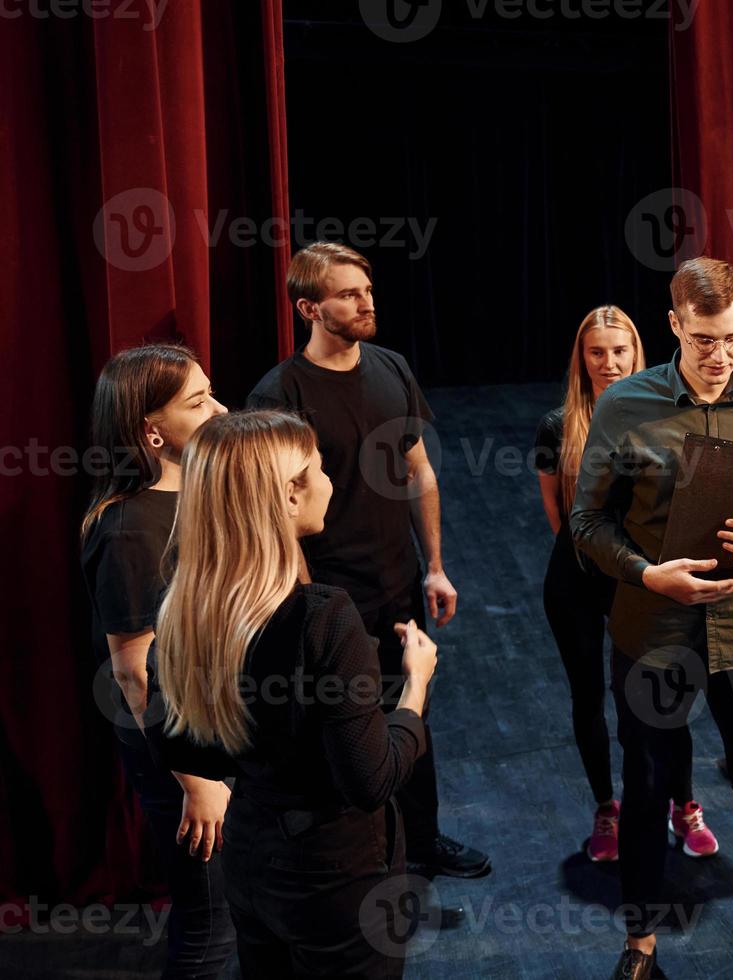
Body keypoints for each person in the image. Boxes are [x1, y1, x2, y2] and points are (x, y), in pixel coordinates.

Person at [571, 257, 733, 980]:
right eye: (704, 339)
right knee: (647, 790)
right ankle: (641, 946)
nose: (720, 356)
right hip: (653, 630)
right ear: (674, 325)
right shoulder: (625, 404)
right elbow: (587, 522)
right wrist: (648, 573)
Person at [146, 410, 438, 978]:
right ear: (286, 496)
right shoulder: (322, 617)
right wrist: (416, 687)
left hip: (252, 865)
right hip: (335, 881)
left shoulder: (185, 611)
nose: (330, 481)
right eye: (318, 468)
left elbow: (184, 751)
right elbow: (372, 779)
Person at [247, 242, 488, 881]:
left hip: (398, 580)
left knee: (413, 706)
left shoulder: (391, 367)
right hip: (326, 592)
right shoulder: (279, 394)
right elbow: (273, 514)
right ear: (309, 308)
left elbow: (418, 471)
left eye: (368, 291)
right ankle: (364, 855)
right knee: (346, 727)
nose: (366, 302)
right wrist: (300, 602)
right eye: (349, 294)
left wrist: (433, 564)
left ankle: (424, 840)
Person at [534, 305, 716, 861]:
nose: (609, 362)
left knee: (662, 697)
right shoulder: (558, 424)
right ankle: (606, 811)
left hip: (644, 579)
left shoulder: (665, 416)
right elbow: (558, 514)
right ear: (581, 358)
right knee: (588, 697)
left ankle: (682, 804)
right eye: (597, 352)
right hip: (578, 579)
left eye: (620, 350)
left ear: (638, 352)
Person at [79, 343, 235, 978]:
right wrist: (195, 780)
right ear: (151, 430)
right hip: (176, 753)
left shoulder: (193, 494)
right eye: (198, 403)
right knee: (208, 931)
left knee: (236, 912)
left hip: (216, 729)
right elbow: (131, 671)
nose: (221, 409)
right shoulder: (129, 528)